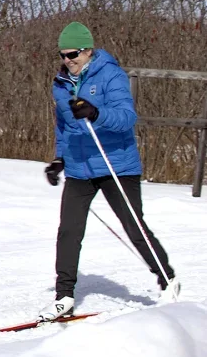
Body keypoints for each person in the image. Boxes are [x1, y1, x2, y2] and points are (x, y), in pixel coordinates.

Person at [39, 21, 179, 321]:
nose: (68, 60)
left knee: (134, 227)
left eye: (74, 53)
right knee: (69, 232)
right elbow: (63, 125)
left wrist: (96, 113)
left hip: (117, 164)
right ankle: (64, 296)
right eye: (63, 55)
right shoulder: (60, 83)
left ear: (88, 50)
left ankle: (167, 279)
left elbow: (127, 117)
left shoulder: (111, 74)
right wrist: (59, 159)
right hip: (79, 168)